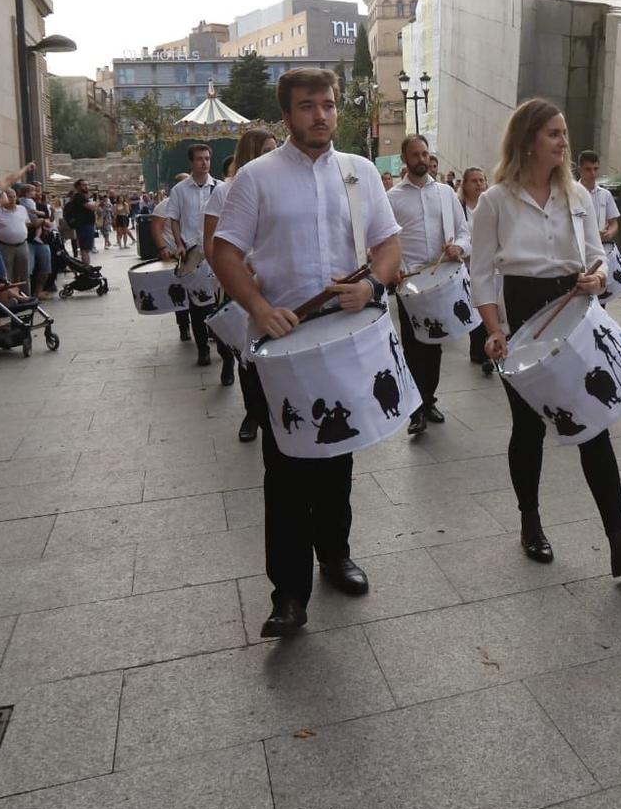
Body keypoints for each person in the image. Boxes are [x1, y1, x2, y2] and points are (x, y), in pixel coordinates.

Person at [209, 68, 401, 638]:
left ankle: (335, 554)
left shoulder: (359, 172)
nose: (320, 115)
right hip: (284, 342)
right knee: (287, 466)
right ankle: (288, 593)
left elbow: (388, 244)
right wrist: (259, 308)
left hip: (343, 335)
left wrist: (373, 287)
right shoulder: (257, 178)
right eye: (307, 106)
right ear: (287, 115)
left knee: (339, 453)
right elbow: (223, 252)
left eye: (328, 104)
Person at [472, 99, 621, 576]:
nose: (564, 142)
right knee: (528, 428)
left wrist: (598, 279)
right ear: (527, 141)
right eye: (554, 134)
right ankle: (530, 522)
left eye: (564, 133)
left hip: (574, 307)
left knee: (593, 424)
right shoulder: (494, 200)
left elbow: (599, 255)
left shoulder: (577, 196)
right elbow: (480, 275)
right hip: (521, 311)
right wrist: (494, 330)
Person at [386, 134, 470, 437]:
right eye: (415, 154)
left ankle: (428, 399)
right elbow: (383, 243)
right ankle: (416, 410)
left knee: (435, 347)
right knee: (413, 346)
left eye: (424, 153)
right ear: (404, 159)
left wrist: (458, 248)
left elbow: (464, 232)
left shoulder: (446, 193)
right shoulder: (392, 199)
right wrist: (393, 269)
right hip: (410, 286)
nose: (421, 159)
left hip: (443, 283)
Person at [203, 127, 280, 441]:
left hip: (275, 284)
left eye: (276, 149)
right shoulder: (224, 191)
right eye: (266, 151)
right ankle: (253, 412)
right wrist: (237, 278)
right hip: (242, 286)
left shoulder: (280, 185)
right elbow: (212, 245)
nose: (274, 156)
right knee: (248, 354)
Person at [154, 143, 224, 369]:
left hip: (216, 252)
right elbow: (173, 218)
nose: (204, 162)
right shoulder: (180, 190)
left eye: (207, 158)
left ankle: (224, 350)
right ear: (191, 162)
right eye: (200, 159)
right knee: (196, 304)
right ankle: (202, 349)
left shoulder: (220, 188)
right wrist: (179, 244)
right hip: (193, 251)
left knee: (219, 303)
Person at [458, 166, 493, 375]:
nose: (479, 184)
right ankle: (478, 352)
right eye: (474, 181)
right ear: (465, 184)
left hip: (491, 266)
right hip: (469, 267)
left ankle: (490, 350)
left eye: (482, 180)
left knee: (491, 307)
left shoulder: (491, 206)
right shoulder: (460, 208)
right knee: (475, 309)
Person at [576, 151, 621, 244]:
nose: (593, 173)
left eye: (595, 169)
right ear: (580, 170)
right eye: (588, 169)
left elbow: (613, 223)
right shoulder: (571, 193)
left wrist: (610, 233)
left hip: (601, 246)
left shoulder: (605, 194)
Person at [65, 180, 97, 261]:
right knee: (85, 249)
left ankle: (86, 268)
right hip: (85, 225)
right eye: (84, 185)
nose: (87, 187)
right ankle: (86, 268)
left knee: (85, 249)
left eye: (87, 185)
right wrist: (97, 202)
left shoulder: (82, 197)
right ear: (78, 186)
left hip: (85, 225)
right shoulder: (79, 196)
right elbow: (92, 207)